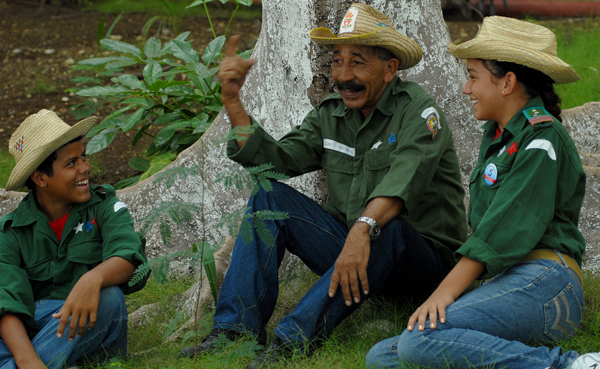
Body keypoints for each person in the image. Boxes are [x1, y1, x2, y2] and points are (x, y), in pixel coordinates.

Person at [181, 3, 466, 368]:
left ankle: (293, 340)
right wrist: (234, 103)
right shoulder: (331, 114)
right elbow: (277, 161)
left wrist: (363, 229)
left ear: (390, 68)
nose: (343, 75)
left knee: (388, 228)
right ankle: (236, 331)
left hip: (421, 265)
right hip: (355, 253)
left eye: (357, 62)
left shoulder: (418, 111)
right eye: (336, 61)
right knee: (268, 195)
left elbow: (403, 181)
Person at [366, 16, 597, 369]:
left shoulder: (542, 139)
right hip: (510, 283)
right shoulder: (499, 137)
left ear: (507, 82)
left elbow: (501, 230)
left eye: (473, 77)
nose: (465, 89)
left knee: (419, 340)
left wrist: (445, 292)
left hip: (549, 284)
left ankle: (568, 365)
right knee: (383, 356)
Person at [0, 110, 149, 369]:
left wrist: (93, 279)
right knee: (8, 329)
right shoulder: (11, 231)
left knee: (110, 299)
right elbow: (7, 302)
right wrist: (27, 360)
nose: (85, 168)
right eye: (71, 163)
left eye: (83, 157)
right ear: (40, 177)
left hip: (88, 328)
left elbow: (128, 256)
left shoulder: (105, 208)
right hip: (35, 326)